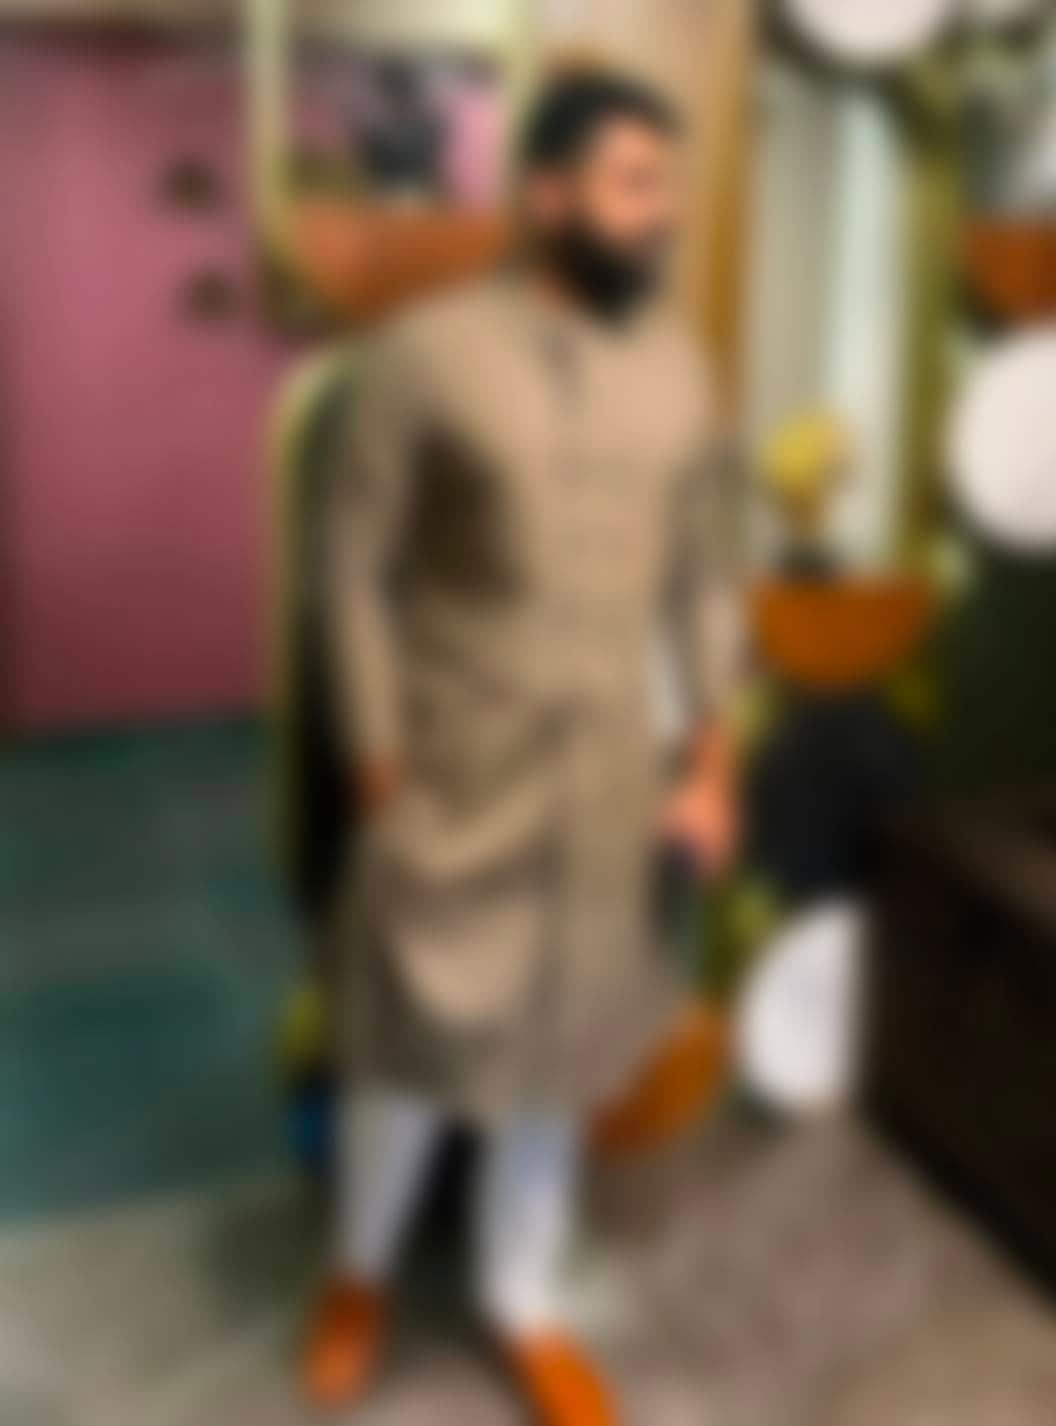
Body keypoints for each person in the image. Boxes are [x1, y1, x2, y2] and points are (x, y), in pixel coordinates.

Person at [304, 69, 744, 1425]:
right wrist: (379, 761)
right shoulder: (427, 355)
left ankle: (522, 1299)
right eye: (633, 182)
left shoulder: (682, 372)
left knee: (559, 1054)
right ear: (546, 194)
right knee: (407, 1049)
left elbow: (707, 578)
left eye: (667, 185)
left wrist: (711, 760)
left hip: (609, 778)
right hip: (454, 773)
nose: (662, 212)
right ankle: (359, 1275)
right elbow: (352, 567)